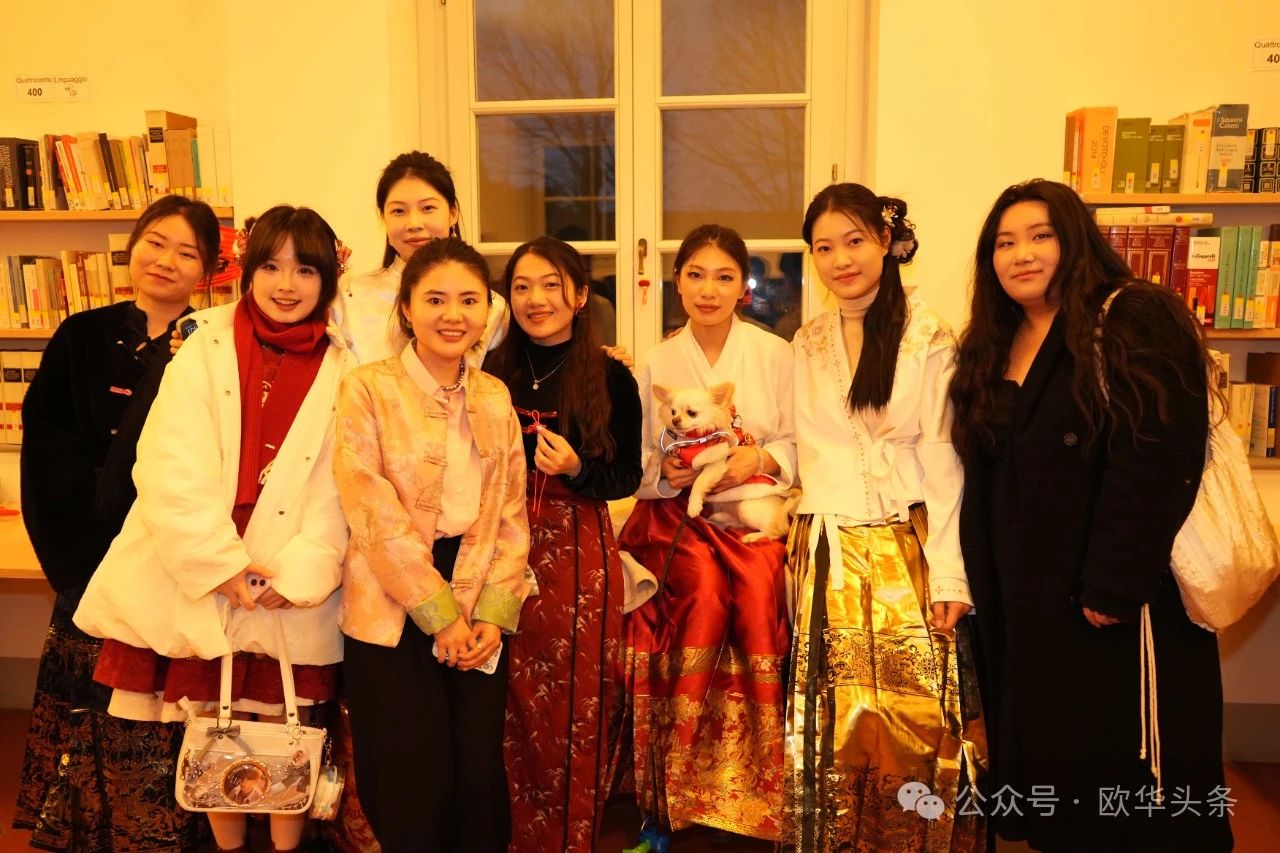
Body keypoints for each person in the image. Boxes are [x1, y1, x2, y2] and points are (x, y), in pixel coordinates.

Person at [949, 179, 1231, 852]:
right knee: (1063, 770)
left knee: (1132, 770)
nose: (1022, 254)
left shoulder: (1133, 314)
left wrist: (1114, 580)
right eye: (1004, 243)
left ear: (1075, 239)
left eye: (1040, 235)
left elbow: (1159, 452)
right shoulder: (992, 342)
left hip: (1114, 599)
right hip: (1028, 602)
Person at [74, 205, 355, 853]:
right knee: (211, 732)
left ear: (327, 279)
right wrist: (219, 563)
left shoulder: (347, 367)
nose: (286, 284)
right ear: (248, 271)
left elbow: (343, 482)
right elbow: (168, 460)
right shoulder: (204, 344)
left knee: (286, 732)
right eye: (272, 267)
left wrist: (304, 569)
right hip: (204, 571)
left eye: (305, 270)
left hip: (286, 576)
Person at [14, 195, 221, 851]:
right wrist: (77, 550)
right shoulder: (81, 335)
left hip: (172, 555)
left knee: (164, 703)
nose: (166, 261)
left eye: (187, 252)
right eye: (156, 242)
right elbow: (47, 449)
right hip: (89, 555)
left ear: (208, 271)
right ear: (132, 247)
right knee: (89, 703)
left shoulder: (212, 344)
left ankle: (172, 828)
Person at [786, 183, 985, 852]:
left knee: (917, 714)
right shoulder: (808, 339)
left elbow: (945, 456)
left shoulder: (926, 334)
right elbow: (800, 445)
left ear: (886, 241)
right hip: (827, 547)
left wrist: (951, 575)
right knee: (835, 719)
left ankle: (914, 839)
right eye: (824, 248)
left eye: (854, 241)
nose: (840, 259)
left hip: (908, 543)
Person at [334, 236, 531, 853]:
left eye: (469, 300)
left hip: (479, 590)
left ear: (487, 311)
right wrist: (440, 615)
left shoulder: (495, 396)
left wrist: (492, 616)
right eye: (436, 299)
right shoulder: (367, 388)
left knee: (477, 772)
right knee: (410, 775)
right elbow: (371, 511)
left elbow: (510, 514)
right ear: (407, 308)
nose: (453, 314)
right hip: (391, 599)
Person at [613, 224, 796, 843]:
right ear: (677, 281)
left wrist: (760, 459)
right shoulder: (656, 361)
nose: (708, 290)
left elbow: (797, 439)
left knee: (760, 584)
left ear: (743, 286)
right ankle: (679, 780)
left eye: (724, 277)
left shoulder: (776, 354)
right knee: (704, 592)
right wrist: (662, 474)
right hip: (677, 515)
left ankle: (752, 781)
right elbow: (639, 454)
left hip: (749, 506)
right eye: (695, 275)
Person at [483, 237, 642, 852]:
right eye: (522, 286)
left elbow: (626, 476)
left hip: (575, 552)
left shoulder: (611, 376)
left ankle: (566, 838)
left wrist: (577, 468)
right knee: (501, 696)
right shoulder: (490, 369)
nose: (536, 299)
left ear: (579, 296)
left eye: (551, 285)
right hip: (495, 542)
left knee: (570, 700)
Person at [330, 150, 506, 366]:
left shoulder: (492, 309)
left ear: (452, 213)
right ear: (383, 218)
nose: (414, 224)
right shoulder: (349, 296)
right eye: (398, 211)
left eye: (428, 208)